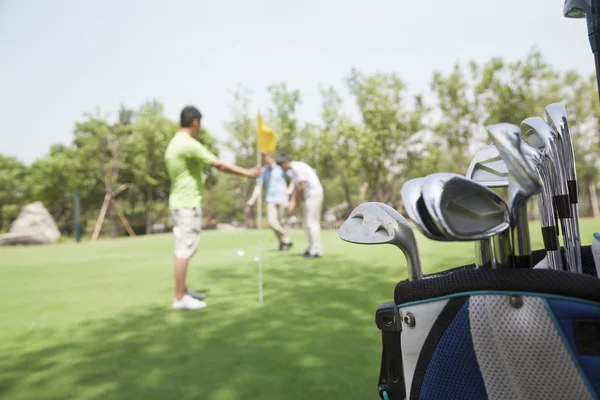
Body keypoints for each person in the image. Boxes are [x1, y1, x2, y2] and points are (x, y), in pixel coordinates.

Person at [165, 105, 260, 310]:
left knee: (183, 249)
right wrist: (248, 173)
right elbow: (219, 164)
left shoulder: (174, 143)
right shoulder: (187, 144)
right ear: (195, 122)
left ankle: (183, 290)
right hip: (187, 204)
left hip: (179, 202)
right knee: (184, 250)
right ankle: (180, 297)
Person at [276, 154, 324, 258]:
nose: (281, 168)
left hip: (313, 195)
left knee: (311, 223)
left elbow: (302, 188)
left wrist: (295, 204)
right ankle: (309, 248)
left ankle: (316, 250)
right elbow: (297, 188)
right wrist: (294, 203)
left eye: (281, 165)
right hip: (309, 196)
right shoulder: (294, 170)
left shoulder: (297, 168)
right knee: (307, 223)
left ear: (287, 162)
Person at [246, 152, 293, 251]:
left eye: (268, 158)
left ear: (272, 158)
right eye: (265, 158)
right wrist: (252, 199)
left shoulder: (280, 168)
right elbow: (259, 186)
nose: (266, 160)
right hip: (270, 199)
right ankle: (286, 239)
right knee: (272, 222)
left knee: (283, 222)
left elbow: (293, 178)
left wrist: (290, 189)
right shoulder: (263, 171)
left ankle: (282, 244)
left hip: (282, 198)